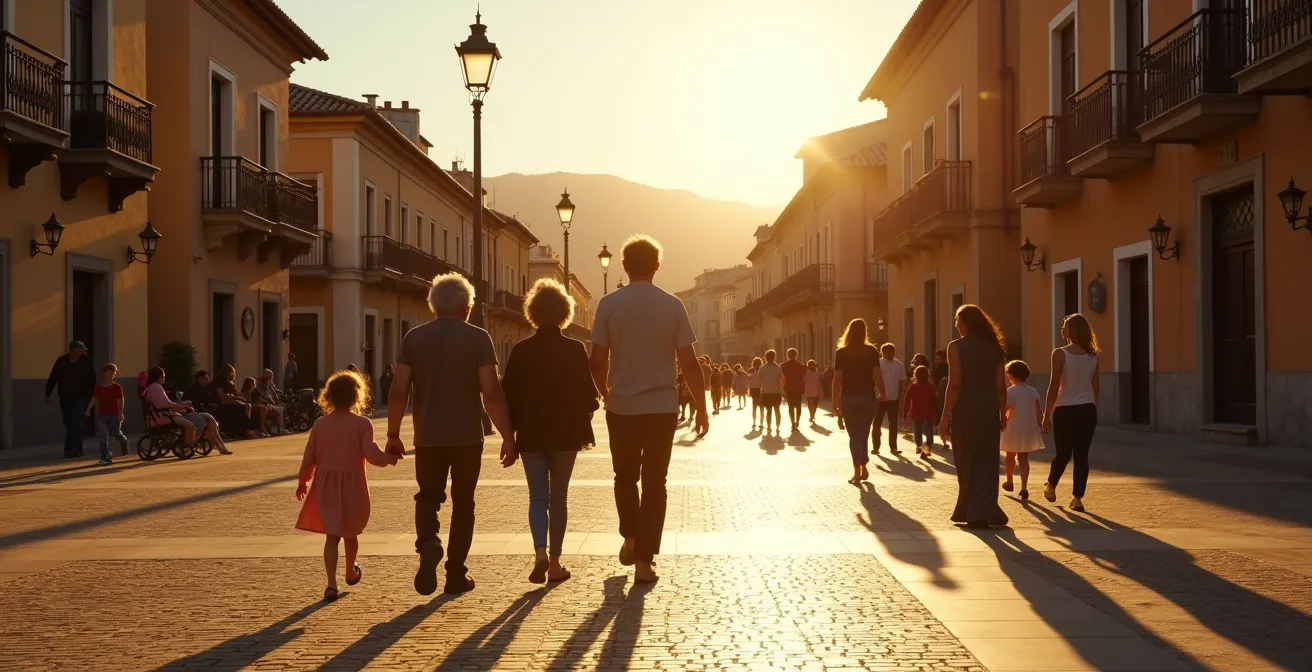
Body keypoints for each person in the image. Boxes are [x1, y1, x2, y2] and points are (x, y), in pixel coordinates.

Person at [385, 272, 515, 596]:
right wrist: (508, 436)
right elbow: (491, 393)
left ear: (434, 306)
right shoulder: (479, 338)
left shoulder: (414, 338)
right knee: (463, 503)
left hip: (428, 437)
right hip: (467, 437)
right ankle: (455, 573)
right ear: (467, 307)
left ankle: (428, 542)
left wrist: (393, 433)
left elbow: (399, 391)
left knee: (428, 496)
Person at [589, 235, 707, 585]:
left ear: (625, 266)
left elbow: (597, 360)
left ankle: (630, 537)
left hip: (621, 408)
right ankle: (644, 562)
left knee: (624, 478)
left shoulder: (608, 304)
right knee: (656, 484)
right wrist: (702, 408)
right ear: (657, 266)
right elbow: (689, 362)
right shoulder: (672, 305)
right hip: (661, 409)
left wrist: (606, 393)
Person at [501, 279, 600, 584]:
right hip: (566, 435)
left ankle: (539, 553)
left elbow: (507, 396)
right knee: (559, 498)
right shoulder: (575, 349)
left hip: (531, 434)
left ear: (532, 312)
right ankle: (555, 563)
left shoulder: (520, 350)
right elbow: (590, 398)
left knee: (537, 497)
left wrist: (509, 435)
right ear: (564, 312)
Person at [295, 370, 399, 602]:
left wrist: (303, 481)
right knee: (351, 533)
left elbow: (309, 457)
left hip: (326, 486)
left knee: (332, 536)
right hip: (353, 486)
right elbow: (372, 454)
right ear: (356, 396)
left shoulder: (320, 424)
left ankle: (331, 584)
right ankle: (350, 571)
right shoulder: (362, 424)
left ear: (329, 396)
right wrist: (390, 458)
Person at [939, 305, 1009, 528]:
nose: (956, 325)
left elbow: (955, 384)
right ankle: (987, 507)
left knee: (966, 457)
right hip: (988, 409)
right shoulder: (995, 348)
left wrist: (944, 417)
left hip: (965, 409)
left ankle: (971, 510)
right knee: (988, 459)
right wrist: (1002, 412)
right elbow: (1001, 386)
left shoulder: (956, 347)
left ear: (967, 323)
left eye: (957, 320)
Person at [1042, 313, 1100, 512]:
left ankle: (1051, 486)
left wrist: (1046, 414)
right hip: (1087, 410)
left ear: (1073, 330)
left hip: (1064, 409)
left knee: (1063, 453)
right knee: (1081, 455)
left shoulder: (1059, 353)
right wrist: (1094, 407)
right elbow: (1095, 385)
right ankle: (1077, 499)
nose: (1062, 328)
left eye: (1065, 325)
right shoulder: (1092, 355)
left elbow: (1053, 386)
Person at [832, 319, 885, 484]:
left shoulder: (841, 353)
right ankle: (863, 465)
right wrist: (883, 393)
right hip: (868, 397)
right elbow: (877, 374)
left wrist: (835, 402)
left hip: (849, 398)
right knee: (863, 433)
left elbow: (837, 379)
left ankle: (857, 472)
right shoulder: (871, 351)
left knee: (854, 435)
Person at [141, 367, 229, 454]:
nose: (164, 378)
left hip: (168, 413)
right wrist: (182, 406)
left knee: (208, 419)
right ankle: (191, 445)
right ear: (157, 376)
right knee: (198, 422)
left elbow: (166, 403)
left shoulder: (154, 387)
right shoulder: (156, 387)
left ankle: (217, 446)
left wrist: (181, 405)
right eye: (162, 376)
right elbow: (164, 404)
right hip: (164, 415)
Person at [45, 340, 96, 458]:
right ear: (73, 351)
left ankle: (77, 449)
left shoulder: (86, 362)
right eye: (80, 350)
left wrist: (91, 396)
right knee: (69, 423)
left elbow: (92, 380)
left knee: (77, 422)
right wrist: (48, 393)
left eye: (83, 351)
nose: (82, 353)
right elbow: (53, 377)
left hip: (81, 397)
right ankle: (69, 449)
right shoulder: (62, 361)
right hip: (65, 397)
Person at [1001, 360, 1044, 500]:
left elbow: (1005, 409)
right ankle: (1024, 487)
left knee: (1010, 455)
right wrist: (1041, 425)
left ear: (1011, 375)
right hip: (1028, 428)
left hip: (1013, 428)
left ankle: (1009, 481)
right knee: (1023, 457)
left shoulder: (1011, 392)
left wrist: (1001, 420)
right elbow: (1038, 411)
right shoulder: (1033, 391)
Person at [86, 363, 128, 464]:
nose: (111, 376)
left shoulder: (117, 387)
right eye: (109, 373)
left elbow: (121, 400)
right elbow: (94, 398)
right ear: (104, 373)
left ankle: (123, 441)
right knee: (103, 435)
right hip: (102, 415)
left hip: (114, 414)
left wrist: (121, 413)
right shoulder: (98, 387)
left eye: (113, 374)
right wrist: (88, 409)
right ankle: (105, 456)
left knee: (116, 433)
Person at [873, 343, 907, 455]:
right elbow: (904, 382)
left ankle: (878, 447)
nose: (888, 354)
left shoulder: (879, 364)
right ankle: (890, 447)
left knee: (879, 423)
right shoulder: (898, 364)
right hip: (889, 398)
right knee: (889, 424)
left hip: (884, 398)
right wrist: (902, 395)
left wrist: (902, 395)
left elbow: (873, 379)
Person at [902, 365, 937, 460]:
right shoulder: (931, 387)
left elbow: (906, 401)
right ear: (927, 375)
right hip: (929, 413)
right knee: (929, 431)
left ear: (916, 375)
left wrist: (904, 415)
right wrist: (938, 414)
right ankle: (927, 446)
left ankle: (919, 446)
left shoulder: (912, 387)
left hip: (916, 413)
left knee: (917, 431)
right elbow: (935, 401)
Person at [214, 365, 257, 439]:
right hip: (223, 404)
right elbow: (221, 396)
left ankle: (246, 429)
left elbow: (236, 393)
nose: (232, 375)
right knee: (243, 409)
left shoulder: (230, 383)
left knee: (247, 406)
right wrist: (235, 397)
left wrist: (239, 396)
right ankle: (246, 430)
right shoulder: (219, 382)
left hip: (232, 402)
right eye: (231, 373)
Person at [757, 349, 784, 435]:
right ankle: (777, 427)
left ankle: (769, 427)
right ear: (774, 357)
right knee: (777, 410)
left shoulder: (762, 367)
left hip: (766, 392)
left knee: (769, 411)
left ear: (766, 357)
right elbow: (782, 379)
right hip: (776, 392)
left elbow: (759, 378)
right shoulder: (778, 367)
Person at [781, 348, 807, 433]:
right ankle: (797, 422)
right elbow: (804, 377)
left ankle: (793, 423)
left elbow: (782, 377)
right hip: (798, 389)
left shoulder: (783, 365)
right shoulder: (801, 365)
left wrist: (782, 387)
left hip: (788, 388)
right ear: (796, 355)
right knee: (798, 406)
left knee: (791, 406)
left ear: (788, 355)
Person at [253, 370, 287, 435]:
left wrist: (272, 388)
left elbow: (272, 395)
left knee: (283, 406)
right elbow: (264, 397)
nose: (271, 380)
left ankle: (280, 427)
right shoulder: (259, 385)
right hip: (262, 404)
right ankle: (281, 428)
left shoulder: (266, 384)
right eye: (271, 378)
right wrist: (269, 402)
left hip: (267, 403)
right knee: (280, 409)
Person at [931, 350, 949, 446]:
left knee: (942, 414)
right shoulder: (934, 368)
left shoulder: (946, 368)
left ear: (943, 359)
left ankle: (944, 439)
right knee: (937, 414)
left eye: (938, 359)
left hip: (944, 394)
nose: (936, 360)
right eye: (935, 358)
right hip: (936, 393)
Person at [748, 357, 763, 429]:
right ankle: (761, 423)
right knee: (761, 407)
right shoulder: (762, 370)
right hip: (760, 389)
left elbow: (748, 379)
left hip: (753, 389)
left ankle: (754, 422)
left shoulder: (750, 370)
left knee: (754, 406)